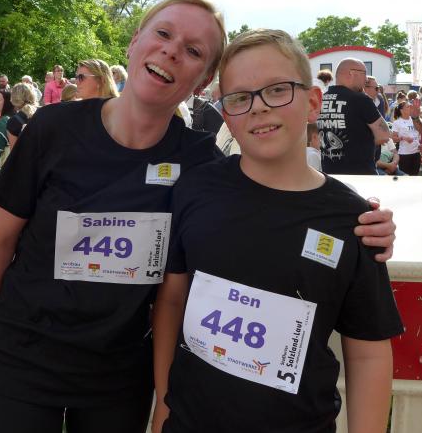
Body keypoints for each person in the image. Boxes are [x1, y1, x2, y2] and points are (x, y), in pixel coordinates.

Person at [0, 0, 398, 432]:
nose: (172, 51)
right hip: (20, 358)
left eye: (194, 51)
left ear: (203, 82)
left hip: (119, 375)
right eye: (163, 34)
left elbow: (276, 191)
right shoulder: (54, 128)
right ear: (134, 42)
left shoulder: (199, 163)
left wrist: (361, 221)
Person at [152, 29, 402, 433]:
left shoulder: (354, 221)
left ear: (313, 102)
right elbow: (172, 300)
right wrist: (163, 405)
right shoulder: (196, 190)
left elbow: (368, 351)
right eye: (240, 97)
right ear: (226, 113)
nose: (259, 107)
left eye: (277, 90)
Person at [317, 58, 390, 174]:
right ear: (352, 73)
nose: (366, 79)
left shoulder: (321, 99)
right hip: (360, 175)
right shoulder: (361, 99)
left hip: (330, 173)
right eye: (364, 73)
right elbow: (384, 136)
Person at [390, 103, 421, 175]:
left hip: (416, 152)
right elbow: (393, 138)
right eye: (408, 107)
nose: (410, 108)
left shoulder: (415, 119)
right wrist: (403, 138)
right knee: (405, 177)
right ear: (402, 110)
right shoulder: (397, 122)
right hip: (404, 154)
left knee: (415, 176)